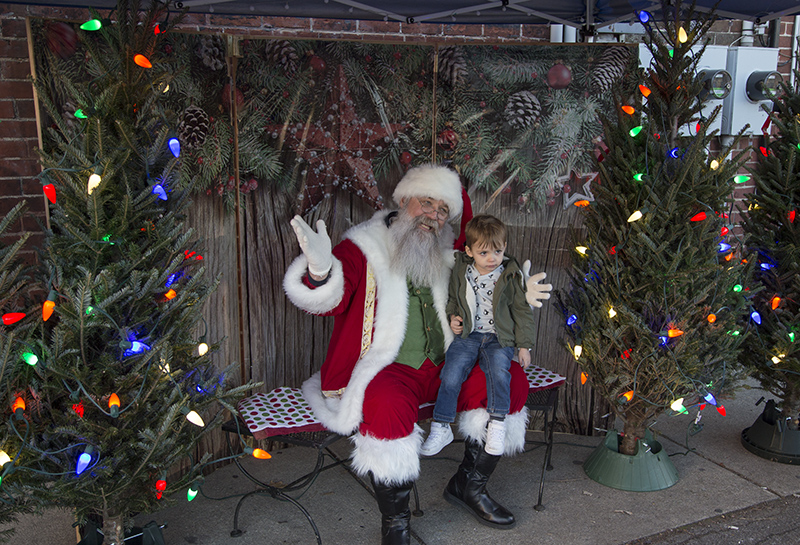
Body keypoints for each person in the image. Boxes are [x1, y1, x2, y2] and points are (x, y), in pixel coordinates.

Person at [284, 164, 551, 545]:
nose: (433, 216)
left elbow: (486, 295)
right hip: (387, 371)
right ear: (404, 200)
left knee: (510, 380)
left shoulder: (453, 254)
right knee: (388, 406)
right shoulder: (363, 246)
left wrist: (515, 294)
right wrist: (321, 268)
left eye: (443, 210)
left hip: (448, 366)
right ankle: (395, 522)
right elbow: (331, 300)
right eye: (426, 203)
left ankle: (469, 485)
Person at [420, 214, 537, 458]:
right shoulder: (462, 271)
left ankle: (497, 423)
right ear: (469, 251)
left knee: (498, 373)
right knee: (451, 373)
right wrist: (454, 317)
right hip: (470, 335)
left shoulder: (510, 275)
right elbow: (453, 300)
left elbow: (521, 311)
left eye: (497, 251)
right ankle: (442, 425)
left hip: (498, 339)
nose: (492, 258)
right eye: (484, 253)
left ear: (504, 247)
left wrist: (524, 346)